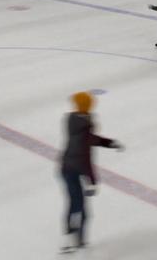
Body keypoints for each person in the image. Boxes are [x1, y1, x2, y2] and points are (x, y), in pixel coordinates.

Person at [60, 91, 123, 253]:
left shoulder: (72, 119)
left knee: (77, 205)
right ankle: (73, 240)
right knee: (78, 206)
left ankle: (74, 237)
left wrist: (109, 143)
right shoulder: (84, 126)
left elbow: (91, 139)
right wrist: (92, 182)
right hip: (73, 168)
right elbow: (85, 159)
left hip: (66, 167)